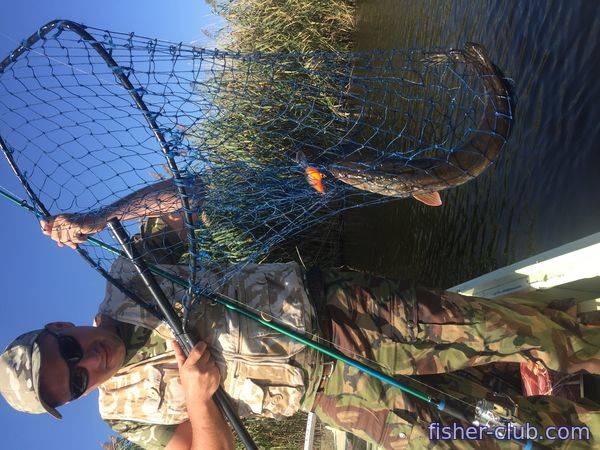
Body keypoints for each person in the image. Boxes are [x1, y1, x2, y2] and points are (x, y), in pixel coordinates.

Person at [1, 177, 599, 450]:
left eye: (70, 353)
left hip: (338, 312)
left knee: (508, 334)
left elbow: (185, 196)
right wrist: (200, 398)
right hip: (328, 393)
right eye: (74, 383)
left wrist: (105, 217)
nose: (88, 364)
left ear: (59, 329)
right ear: (77, 397)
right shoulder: (122, 414)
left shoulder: (127, 275)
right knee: (466, 442)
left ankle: (576, 345)